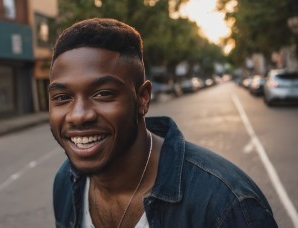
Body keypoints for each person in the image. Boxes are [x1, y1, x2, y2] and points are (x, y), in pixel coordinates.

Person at [50, 18, 277, 228]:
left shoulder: (225, 204)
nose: (78, 116)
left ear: (142, 98)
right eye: (62, 97)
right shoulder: (67, 181)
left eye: (103, 94)